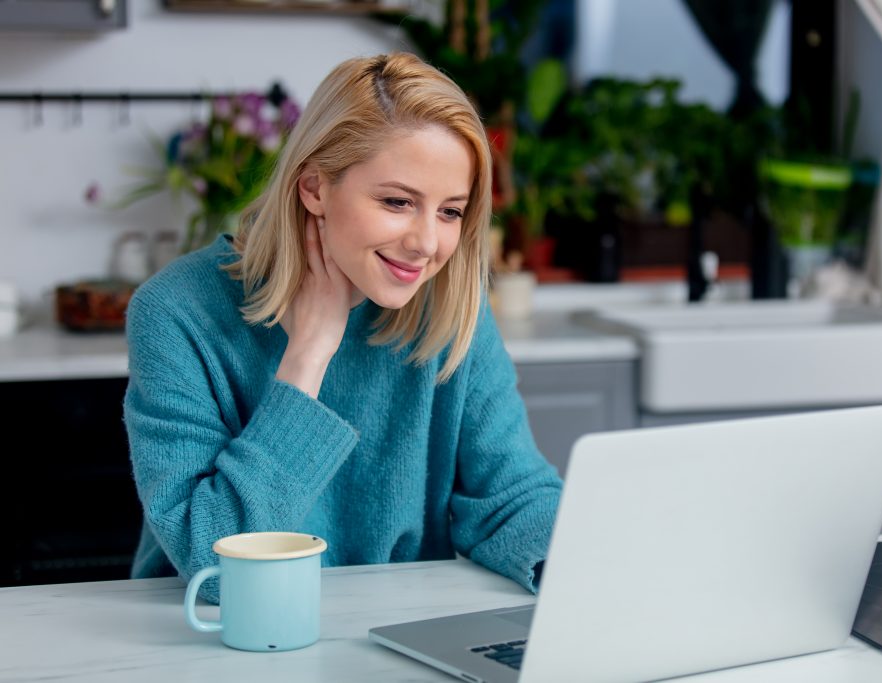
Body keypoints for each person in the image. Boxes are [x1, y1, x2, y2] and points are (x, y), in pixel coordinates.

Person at [123, 52, 563, 602]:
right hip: (208, 639)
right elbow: (215, 566)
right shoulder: (176, 312)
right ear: (314, 188)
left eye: (450, 211)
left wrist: (588, 569)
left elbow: (512, 497)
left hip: (390, 629)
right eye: (398, 202)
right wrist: (308, 353)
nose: (427, 244)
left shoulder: (449, 306)